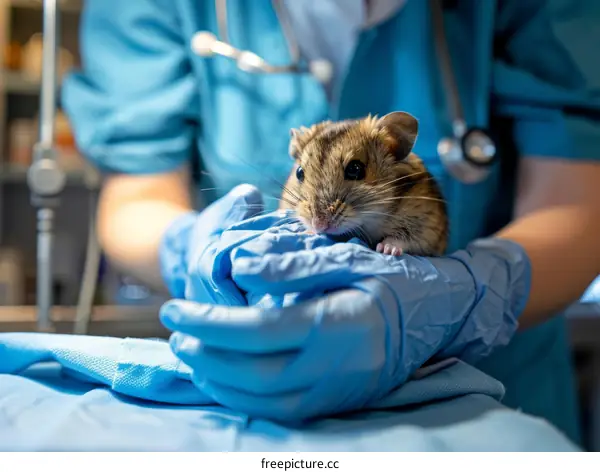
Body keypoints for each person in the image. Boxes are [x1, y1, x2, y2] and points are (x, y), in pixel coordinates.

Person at [61, 0, 600, 445]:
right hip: (256, 389)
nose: (321, 213)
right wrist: (197, 250)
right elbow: (135, 193)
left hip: (486, 393)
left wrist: (471, 293)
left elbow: (577, 197)